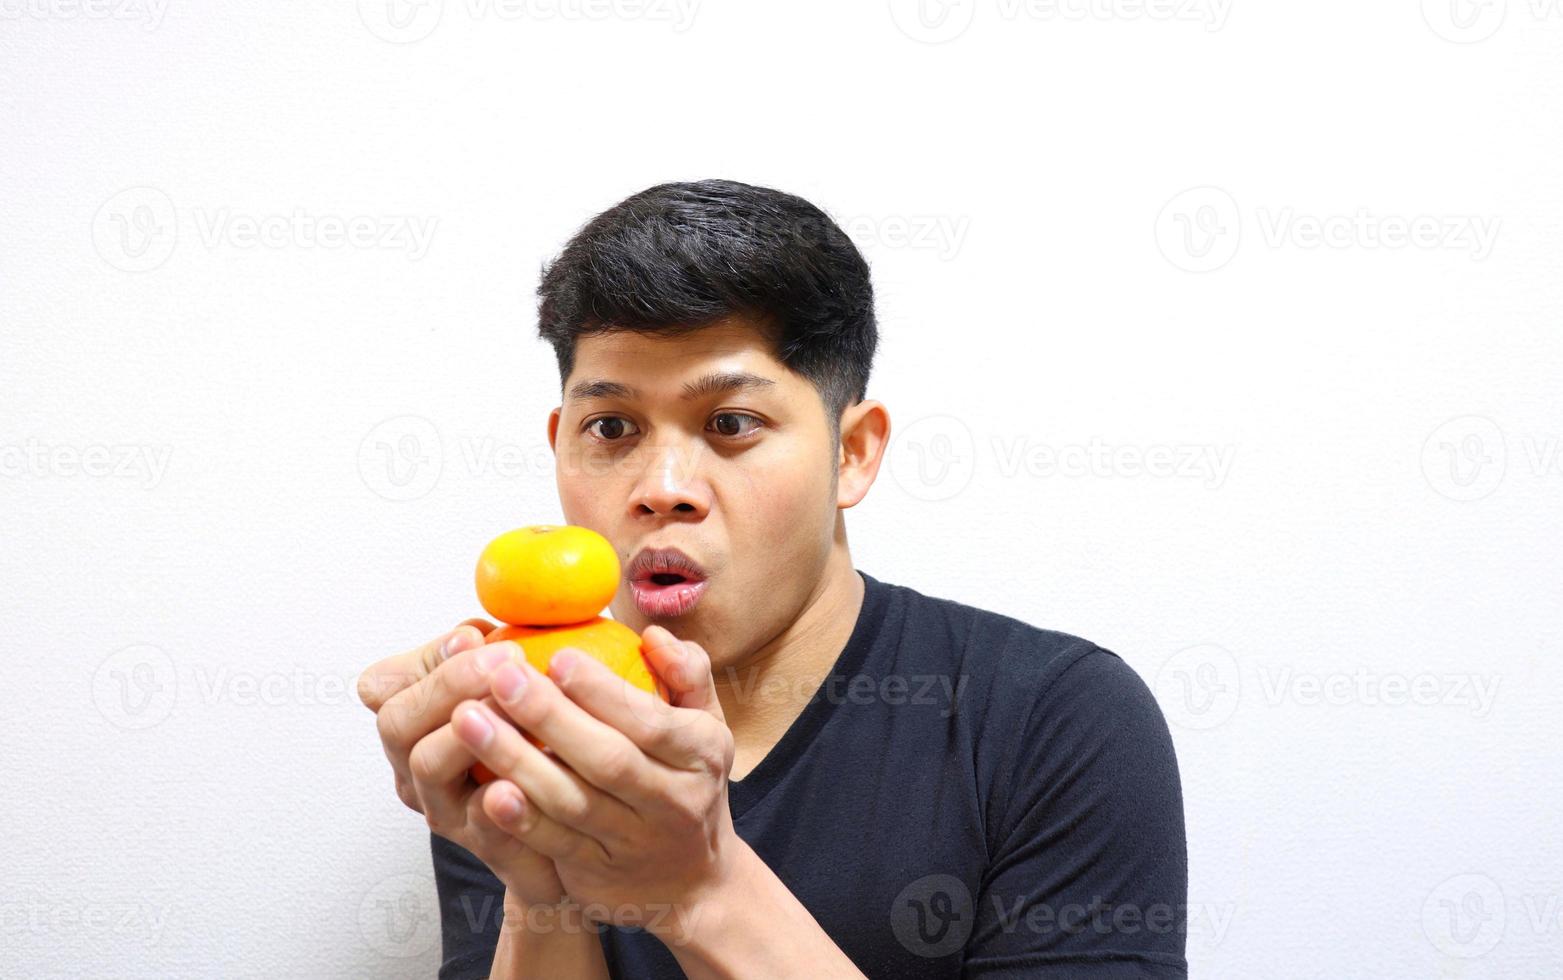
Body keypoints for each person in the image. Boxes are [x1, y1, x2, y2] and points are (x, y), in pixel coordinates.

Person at [356, 179, 1188, 978]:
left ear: (851, 453)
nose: (661, 486)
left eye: (731, 424)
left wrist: (700, 889)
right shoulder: (522, 726)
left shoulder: (1053, 718)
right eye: (610, 427)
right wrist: (541, 889)